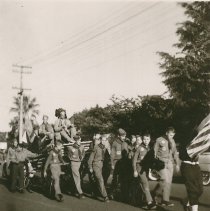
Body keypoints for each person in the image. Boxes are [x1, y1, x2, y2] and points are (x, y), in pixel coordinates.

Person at [153, 127, 179, 206]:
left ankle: (165, 200)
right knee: (164, 180)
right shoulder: (159, 140)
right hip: (161, 162)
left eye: (173, 135)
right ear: (166, 133)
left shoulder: (173, 141)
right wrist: (156, 162)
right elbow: (154, 153)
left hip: (170, 163)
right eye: (170, 135)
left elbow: (175, 153)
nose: (171, 137)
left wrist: (177, 164)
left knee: (168, 182)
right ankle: (154, 194)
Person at [133, 133, 157, 210]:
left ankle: (141, 200)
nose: (146, 141)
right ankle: (150, 202)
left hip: (146, 168)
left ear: (150, 140)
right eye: (144, 139)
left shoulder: (150, 148)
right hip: (139, 167)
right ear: (142, 140)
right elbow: (134, 160)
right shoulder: (139, 148)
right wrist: (135, 170)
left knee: (142, 184)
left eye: (147, 139)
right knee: (145, 183)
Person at [88, 135, 109, 202]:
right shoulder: (96, 147)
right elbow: (91, 158)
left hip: (102, 165)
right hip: (96, 164)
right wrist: (90, 167)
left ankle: (95, 192)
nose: (103, 141)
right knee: (100, 179)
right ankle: (105, 196)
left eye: (105, 140)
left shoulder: (105, 148)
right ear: (100, 140)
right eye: (102, 140)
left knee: (98, 180)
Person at [109, 128, 129, 200]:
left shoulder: (126, 143)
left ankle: (123, 194)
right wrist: (112, 164)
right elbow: (112, 154)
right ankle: (111, 193)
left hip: (124, 164)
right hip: (116, 163)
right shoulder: (115, 143)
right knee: (116, 179)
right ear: (118, 136)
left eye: (125, 136)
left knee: (123, 179)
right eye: (123, 136)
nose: (124, 137)